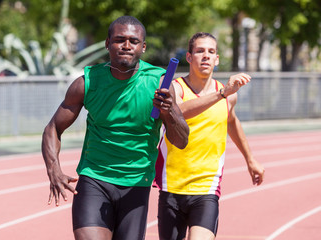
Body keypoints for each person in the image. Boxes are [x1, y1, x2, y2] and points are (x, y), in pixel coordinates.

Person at [41, 16, 189, 240]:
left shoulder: (159, 83)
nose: (127, 46)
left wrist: (171, 111)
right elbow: (53, 128)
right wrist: (54, 170)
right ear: (107, 43)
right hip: (94, 179)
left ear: (143, 47)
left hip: (136, 184)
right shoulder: (87, 83)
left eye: (134, 41)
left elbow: (181, 141)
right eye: (120, 39)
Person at [154, 32, 265, 240]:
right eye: (199, 51)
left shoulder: (227, 96)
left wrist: (250, 160)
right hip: (172, 187)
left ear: (217, 59)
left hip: (207, 188)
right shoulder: (175, 88)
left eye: (211, 52)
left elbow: (231, 121)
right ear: (189, 57)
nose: (206, 56)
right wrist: (221, 94)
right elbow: (178, 111)